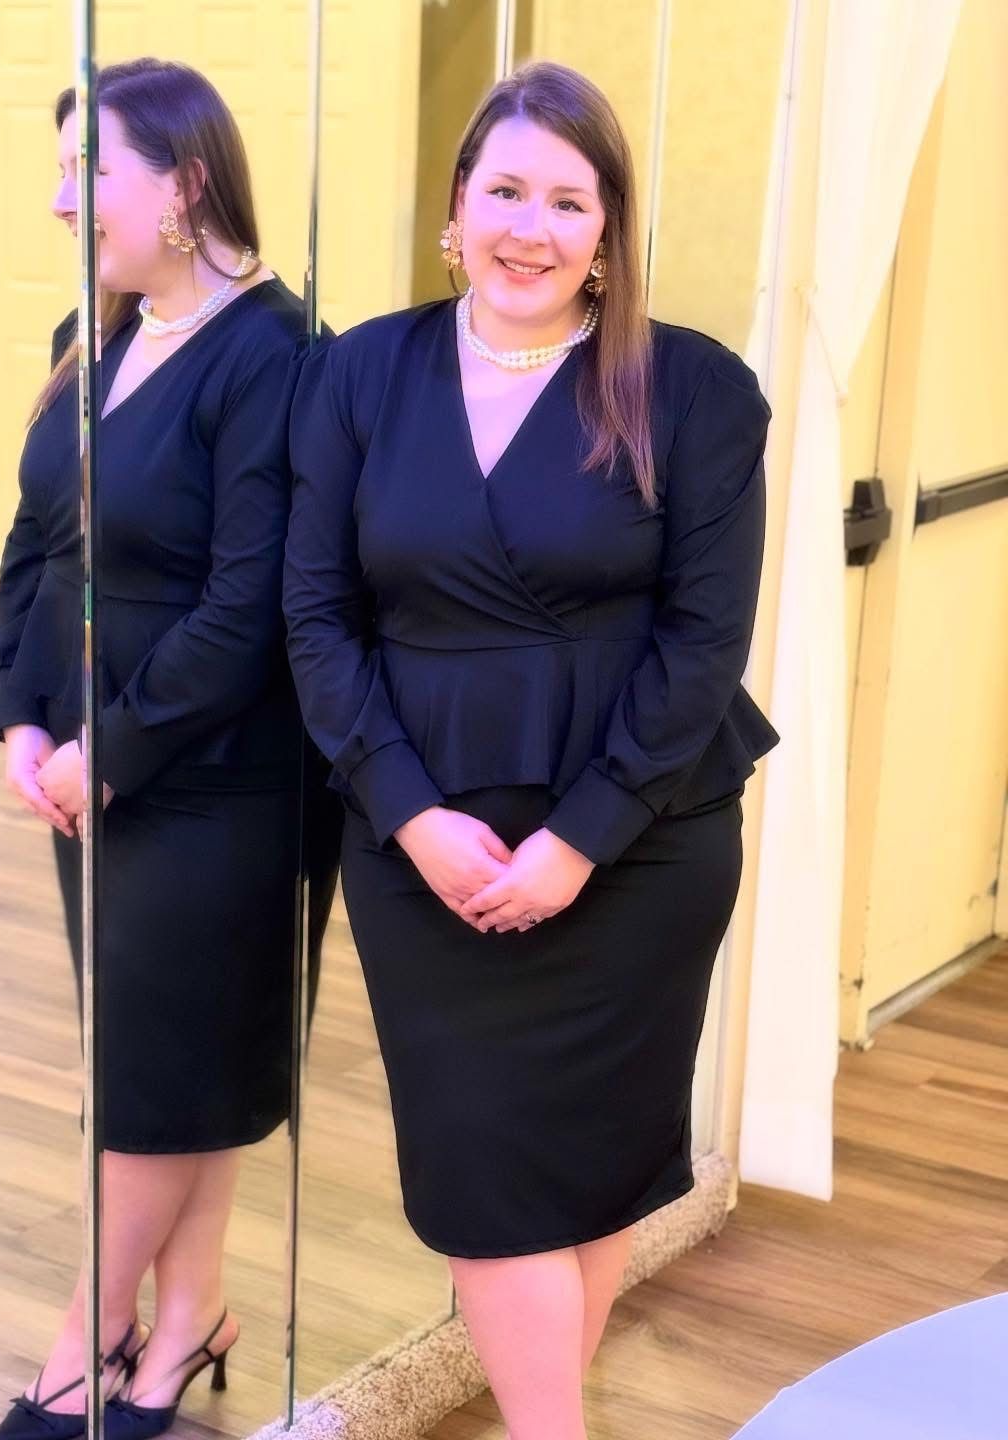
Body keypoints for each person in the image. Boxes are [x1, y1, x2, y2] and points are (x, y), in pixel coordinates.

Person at [283, 60, 778, 1440]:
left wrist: (578, 842)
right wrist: (412, 816)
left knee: (594, 1167)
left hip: (639, 841)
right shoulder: (357, 373)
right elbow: (315, 619)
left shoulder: (696, 392)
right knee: (484, 1173)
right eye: (505, 189)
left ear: (609, 236)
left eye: (570, 200)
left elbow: (703, 645)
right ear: (455, 210)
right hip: (420, 835)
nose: (532, 227)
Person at [0, 58, 339, 1440]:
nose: (69, 204)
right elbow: (40, 541)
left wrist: (112, 749)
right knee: (175, 1072)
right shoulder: (102, 327)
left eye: (94, 174)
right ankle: (186, 1325)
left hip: (222, 782)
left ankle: (83, 1344)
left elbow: (249, 606)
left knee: (150, 1088)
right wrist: (24, 709)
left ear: (184, 185)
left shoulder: (278, 357)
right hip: (94, 768)